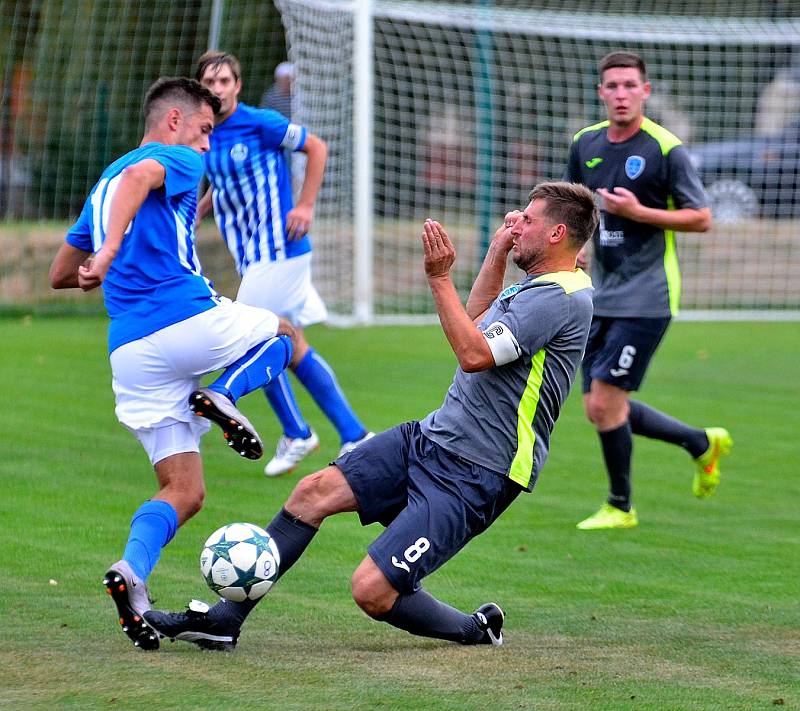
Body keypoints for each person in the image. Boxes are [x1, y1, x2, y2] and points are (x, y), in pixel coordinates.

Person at [143, 181, 599, 651]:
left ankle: (474, 630)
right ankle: (224, 621)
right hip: (432, 438)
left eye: (527, 219)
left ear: (556, 233)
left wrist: (439, 278)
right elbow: (476, 321)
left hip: (479, 470)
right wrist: (497, 253)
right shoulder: (541, 287)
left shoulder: (559, 297)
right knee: (311, 493)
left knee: (372, 591)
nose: (515, 222)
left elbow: (472, 352)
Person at [48, 77, 299, 651]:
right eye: (205, 130)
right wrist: (109, 252)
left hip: (131, 354)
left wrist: (93, 265)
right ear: (174, 121)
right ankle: (228, 394)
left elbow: (60, 274)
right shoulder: (172, 158)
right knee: (284, 334)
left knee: (183, 490)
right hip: (184, 320)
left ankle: (132, 575)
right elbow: (142, 177)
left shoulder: (101, 185)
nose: (208, 144)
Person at [564, 51, 733, 531]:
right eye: (612, 86)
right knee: (601, 406)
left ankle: (621, 506)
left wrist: (641, 214)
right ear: (602, 93)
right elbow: (575, 207)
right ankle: (701, 443)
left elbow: (700, 217)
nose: (621, 94)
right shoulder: (585, 143)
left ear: (646, 91)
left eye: (629, 86)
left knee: (603, 404)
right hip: (597, 293)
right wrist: (576, 247)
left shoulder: (666, 148)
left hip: (648, 295)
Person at [195, 51, 372, 477]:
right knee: (292, 347)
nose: (217, 89)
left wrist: (306, 205)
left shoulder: (261, 123)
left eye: (224, 81)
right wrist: (197, 211)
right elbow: (223, 185)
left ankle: (296, 431)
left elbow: (317, 147)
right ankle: (354, 434)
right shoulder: (205, 135)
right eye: (210, 83)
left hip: (281, 250)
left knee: (254, 340)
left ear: (237, 86)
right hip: (254, 257)